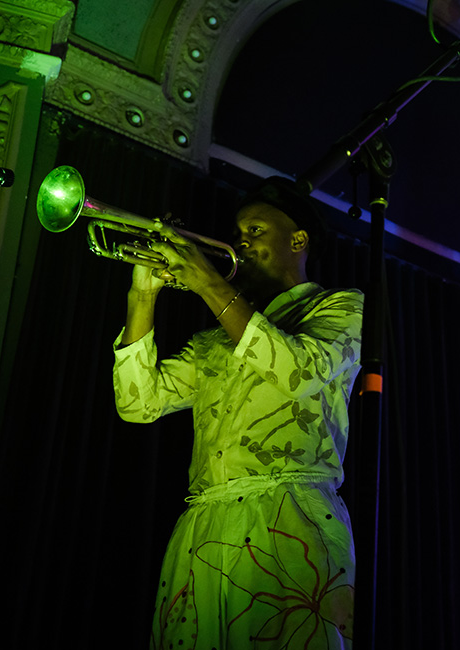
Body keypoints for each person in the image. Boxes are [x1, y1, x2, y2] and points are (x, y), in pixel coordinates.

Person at [113, 177, 363, 650]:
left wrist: (206, 282)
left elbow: (299, 372)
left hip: (291, 518)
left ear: (298, 241)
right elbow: (137, 403)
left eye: (254, 231)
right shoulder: (216, 339)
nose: (240, 242)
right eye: (239, 232)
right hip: (204, 524)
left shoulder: (340, 307)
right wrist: (142, 295)